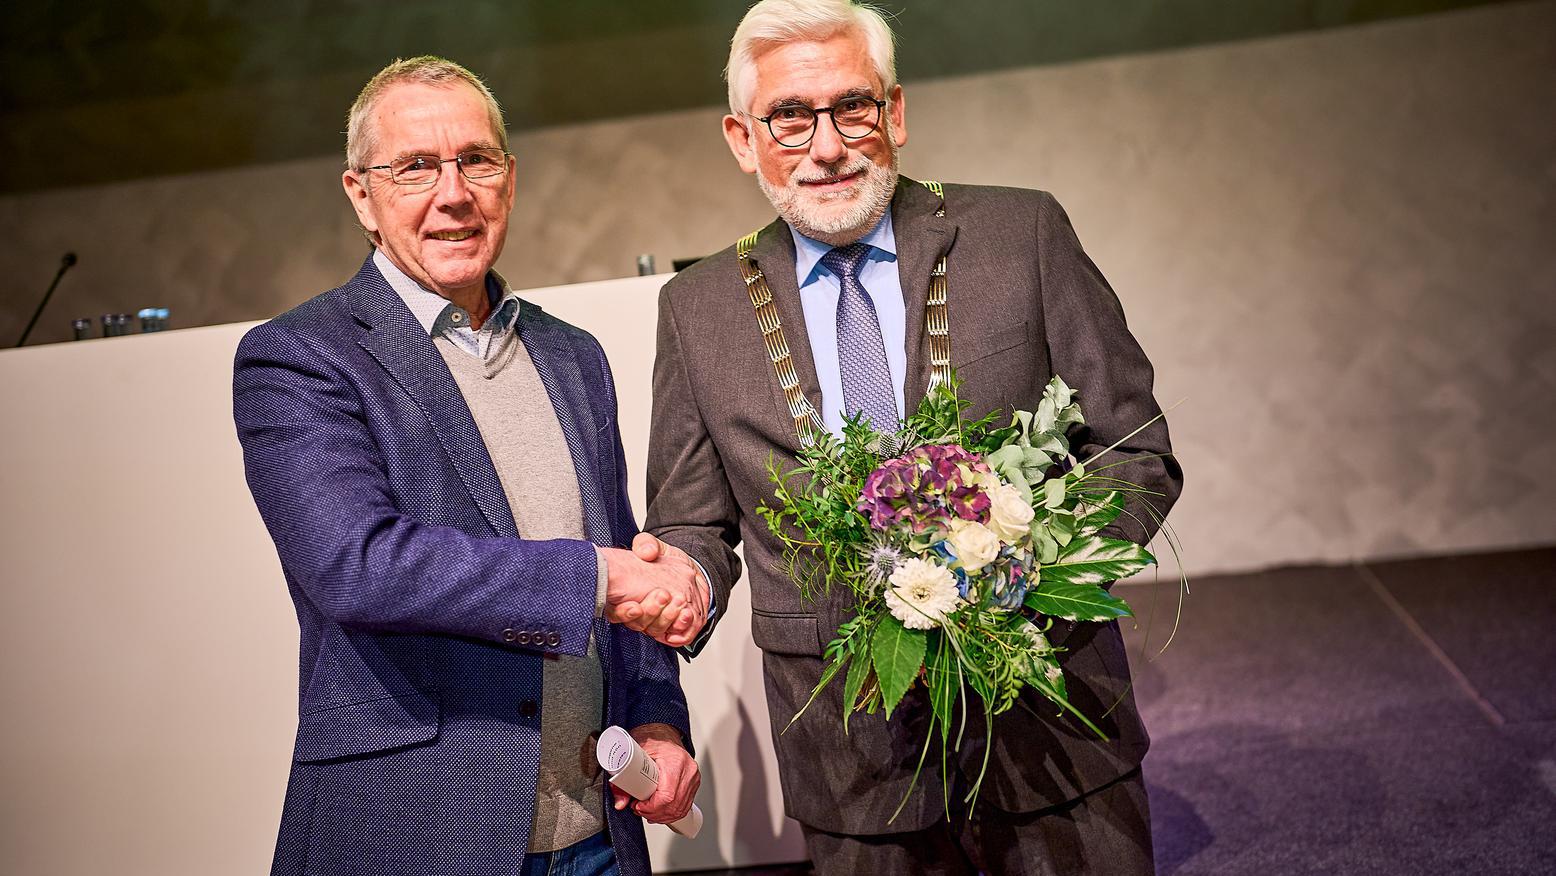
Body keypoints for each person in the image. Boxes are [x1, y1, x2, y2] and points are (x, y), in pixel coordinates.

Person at [639, 1, 1183, 873]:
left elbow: (1134, 447)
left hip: (1052, 732)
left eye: (851, 106)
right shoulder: (697, 309)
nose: (826, 146)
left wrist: (1027, 573)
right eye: (789, 117)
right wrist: (685, 584)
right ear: (743, 140)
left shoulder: (1022, 234)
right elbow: (692, 522)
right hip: (852, 762)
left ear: (893, 112)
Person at [233, 56, 703, 876]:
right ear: (360, 196)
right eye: (415, 166)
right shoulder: (300, 358)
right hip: (416, 835)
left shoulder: (570, 355)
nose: (454, 192)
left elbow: (620, 550)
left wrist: (659, 720)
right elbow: (359, 566)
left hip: (596, 839)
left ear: (509, 180)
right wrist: (599, 579)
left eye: (476, 161)